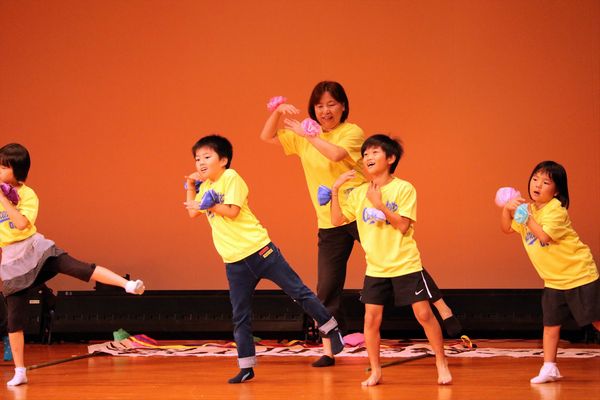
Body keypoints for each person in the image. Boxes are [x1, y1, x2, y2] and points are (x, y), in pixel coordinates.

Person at [260, 81, 461, 367]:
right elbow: (266, 136)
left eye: (331, 104)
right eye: (319, 106)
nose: (325, 110)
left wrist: (308, 135)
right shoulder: (305, 135)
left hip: (361, 210)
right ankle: (329, 349)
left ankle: (441, 305)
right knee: (327, 285)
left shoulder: (351, 132)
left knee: (398, 257)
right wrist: (279, 112)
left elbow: (336, 154)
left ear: (343, 106)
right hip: (332, 217)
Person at [183, 135, 344, 384]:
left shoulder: (231, 177)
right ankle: (246, 367)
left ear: (223, 160)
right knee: (240, 315)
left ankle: (331, 327)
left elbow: (232, 211)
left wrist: (209, 205)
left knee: (298, 292)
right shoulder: (205, 187)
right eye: (197, 159)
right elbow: (193, 211)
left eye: (207, 156)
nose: (201, 162)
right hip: (234, 262)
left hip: (260, 251)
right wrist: (192, 186)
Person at [0, 143, 145, 386]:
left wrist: (3, 199)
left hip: (36, 251)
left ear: (18, 170)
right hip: (12, 262)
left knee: (78, 268)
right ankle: (20, 371)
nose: (0, 171)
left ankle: (127, 285)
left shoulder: (27, 194)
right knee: (14, 320)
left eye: (4, 167)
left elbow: (22, 224)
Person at [330, 134, 452, 386]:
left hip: (405, 264)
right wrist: (335, 191)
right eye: (365, 154)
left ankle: (441, 362)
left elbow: (403, 225)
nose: (368, 157)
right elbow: (336, 220)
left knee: (424, 314)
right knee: (370, 320)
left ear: (391, 158)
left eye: (375, 152)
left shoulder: (404, 188)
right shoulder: (359, 193)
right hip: (376, 267)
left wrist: (380, 206)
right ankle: (375, 371)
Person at [500, 160, 599, 384]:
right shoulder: (529, 209)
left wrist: (526, 218)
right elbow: (506, 228)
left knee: (595, 320)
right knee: (551, 325)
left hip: (579, 274)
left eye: (546, 182)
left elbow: (544, 236)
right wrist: (507, 210)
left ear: (556, 191)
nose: (538, 184)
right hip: (553, 280)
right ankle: (549, 368)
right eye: (535, 179)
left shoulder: (556, 210)